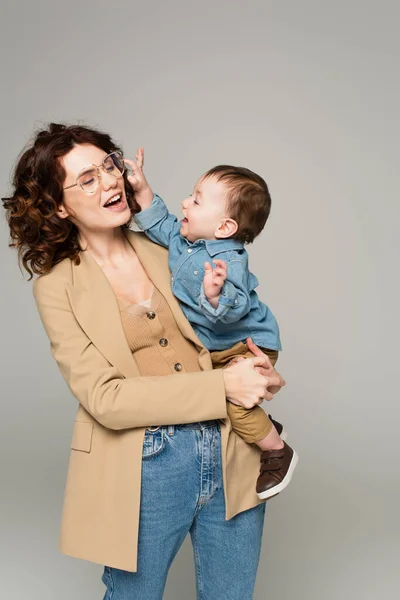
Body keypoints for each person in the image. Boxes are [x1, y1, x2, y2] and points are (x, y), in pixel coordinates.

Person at [2, 123, 287, 600]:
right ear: (58, 205)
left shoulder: (171, 245)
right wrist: (224, 387)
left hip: (232, 448)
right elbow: (105, 398)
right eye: (87, 179)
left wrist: (261, 371)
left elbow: (234, 321)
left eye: (109, 166)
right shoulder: (56, 285)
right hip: (146, 465)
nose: (110, 181)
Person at [131, 152, 298, 499]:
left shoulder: (228, 261)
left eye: (195, 200)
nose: (184, 203)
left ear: (224, 228)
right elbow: (159, 222)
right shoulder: (184, 241)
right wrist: (142, 187)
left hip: (248, 342)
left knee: (233, 406)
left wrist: (215, 293)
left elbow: (235, 309)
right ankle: (260, 426)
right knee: (207, 389)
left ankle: (277, 451)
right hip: (218, 346)